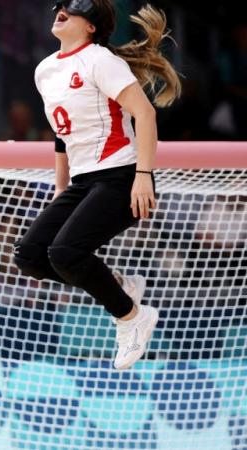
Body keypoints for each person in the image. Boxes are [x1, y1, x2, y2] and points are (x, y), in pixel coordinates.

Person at [12, 0, 181, 370]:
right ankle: (118, 286)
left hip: (121, 175)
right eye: (60, 4)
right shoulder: (45, 70)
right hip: (82, 179)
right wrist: (60, 189)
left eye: (74, 7)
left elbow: (146, 114)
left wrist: (143, 176)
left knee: (65, 252)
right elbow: (62, 136)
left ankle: (131, 318)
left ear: (91, 26)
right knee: (29, 255)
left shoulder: (101, 60)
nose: (61, 9)